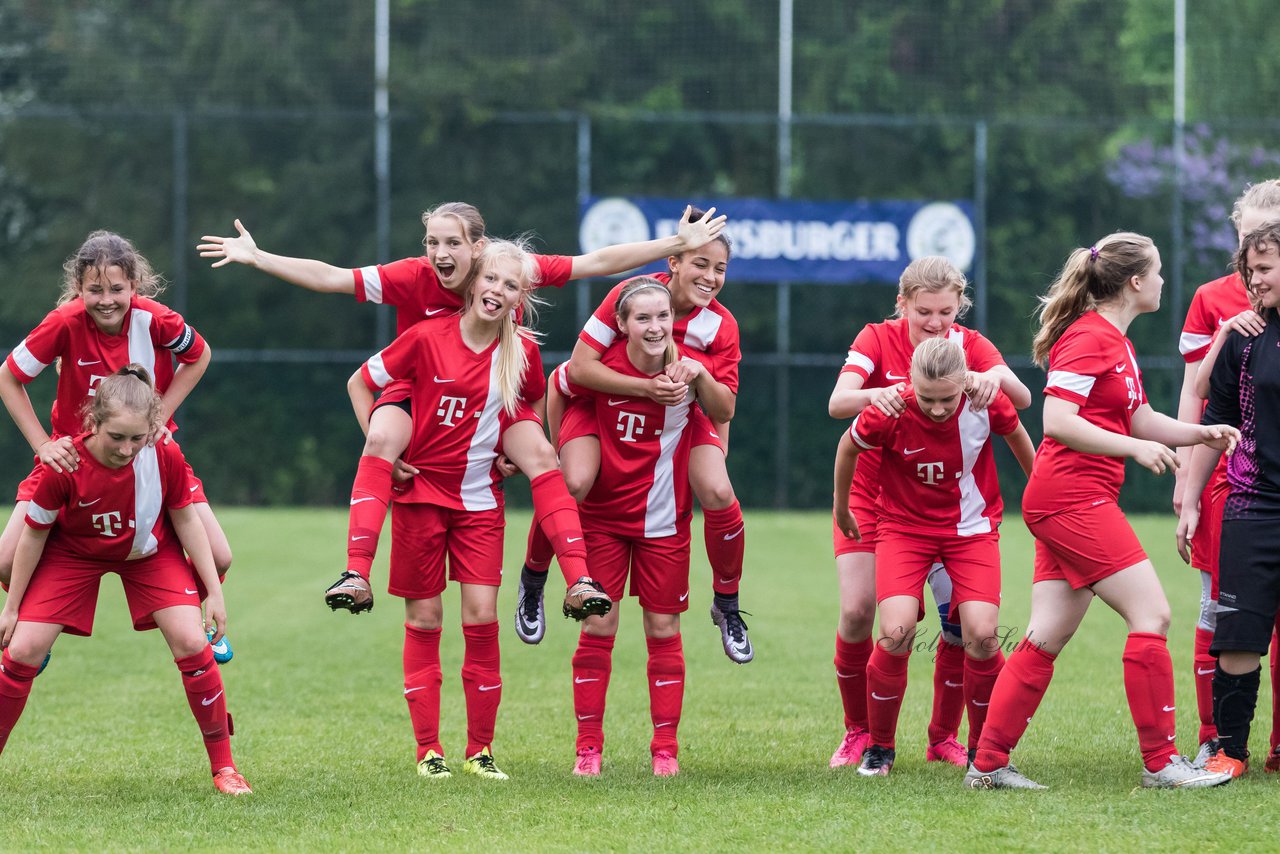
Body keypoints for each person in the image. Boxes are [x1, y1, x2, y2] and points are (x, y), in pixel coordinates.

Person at [198, 205, 725, 620]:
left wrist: (676, 244)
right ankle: (355, 572)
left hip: (494, 394)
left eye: (452, 243)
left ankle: (573, 580)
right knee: (381, 439)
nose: (440, 253)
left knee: (543, 455)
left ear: (478, 249)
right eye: (432, 242)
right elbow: (332, 277)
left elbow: (596, 262)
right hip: (420, 391)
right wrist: (260, 257)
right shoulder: (413, 277)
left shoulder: (508, 272)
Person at [966, 232, 1238, 791]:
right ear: (1135, 283)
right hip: (1071, 498)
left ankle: (987, 764)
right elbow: (1058, 422)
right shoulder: (1091, 337)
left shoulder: (1112, 338)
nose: (1164, 281)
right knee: (1154, 615)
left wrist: (1201, 431)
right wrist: (1133, 450)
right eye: (1158, 272)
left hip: (1069, 498)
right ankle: (1162, 763)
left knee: (1045, 636)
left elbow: (1138, 418)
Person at [347, 238, 581, 780]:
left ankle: (480, 751)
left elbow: (528, 406)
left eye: (510, 285)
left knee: (481, 618)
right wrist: (382, 442)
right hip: (420, 501)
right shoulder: (426, 337)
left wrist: (515, 453)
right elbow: (363, 381)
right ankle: (429, 751)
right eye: (491, 280)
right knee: (425, 618)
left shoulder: (520, 352)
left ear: (520, 297)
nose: (497, 291)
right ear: (472, 284)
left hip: (479, 503)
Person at [0, 366, 249, 795]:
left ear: (153, 428)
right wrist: (12, 607)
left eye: (138, 438)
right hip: (73, 553)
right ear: (92, 422)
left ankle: (225, 768)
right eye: (117, 437)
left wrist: (216, 596)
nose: (127, 448)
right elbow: (34, 537)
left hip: (148, 554)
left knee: (191, 642)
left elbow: (186, 520)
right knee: (22, 650)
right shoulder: (64, 464)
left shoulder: (163, 453)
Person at [826, 256, 1031, 770]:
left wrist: (991, 378)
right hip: (873, 495)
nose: (936, 323)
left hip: (950, 507)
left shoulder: (970, 349)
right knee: (860, 613)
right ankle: (862, 733)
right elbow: (838, 403)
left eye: (947, 311)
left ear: (959, 305)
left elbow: (1021, 400)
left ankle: (946, 737)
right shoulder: (876, 339)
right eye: (924, 313)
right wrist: (894, 393)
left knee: (962, 626)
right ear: (903, 305)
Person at [519, 207, 751, 663]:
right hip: (601, 405)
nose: (709, 276)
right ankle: (533, 578)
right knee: (573, 482)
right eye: (699, 263)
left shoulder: (721, 325)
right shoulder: (631, 295)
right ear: (674, 263)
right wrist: (647, 387)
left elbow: (724, 405)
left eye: (719, 268)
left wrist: (700, 378)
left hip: (676, 415)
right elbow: (580, 368)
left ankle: (727, 603)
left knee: (719, 489)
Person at [0, 231, 234, 665]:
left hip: (146, 459)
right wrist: (44, 444)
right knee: (5, 562)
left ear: (134, 287)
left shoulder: (157, 319)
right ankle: (36, 629)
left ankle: (201, 618)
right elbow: (8, 377)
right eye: (95, 290)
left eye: (117, 289)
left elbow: (198, 355)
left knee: (219, 556)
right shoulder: (64, 322)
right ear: (79, 290)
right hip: (71, 465)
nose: (106, 299)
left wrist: (159, 416)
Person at [556, 277, 709, 778]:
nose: (654, 326)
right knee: (599, 625)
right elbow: (561, 385)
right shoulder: (600, 372)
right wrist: (550, 444)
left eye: (662, 316)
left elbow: (725, 408)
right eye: (642, 318)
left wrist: (702, 376)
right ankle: (588, 749)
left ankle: (665, 749)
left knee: (663, 629)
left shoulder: (687, 369)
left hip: (665, 522)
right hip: (601, 523)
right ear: (621, 325)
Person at [1174, 179, 1280, 767]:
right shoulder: (1242, 332)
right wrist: (1187, 493)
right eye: (1248, 257)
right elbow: (1210, 412)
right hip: (1251, 500)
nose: (1253, 276)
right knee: (1233, 624)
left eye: (1263, 261)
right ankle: (1223, 748)